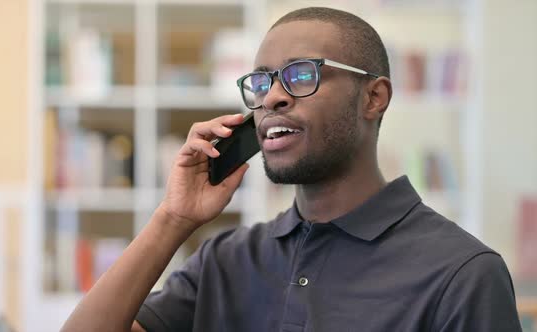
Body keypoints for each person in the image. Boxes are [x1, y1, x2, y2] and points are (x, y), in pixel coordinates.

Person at [61, 7, 522, 332]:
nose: (272, 98)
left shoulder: (462, 274)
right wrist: (173, 219)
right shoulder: (224, 260)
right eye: (260, 82)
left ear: (374, 97)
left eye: (302, 75)